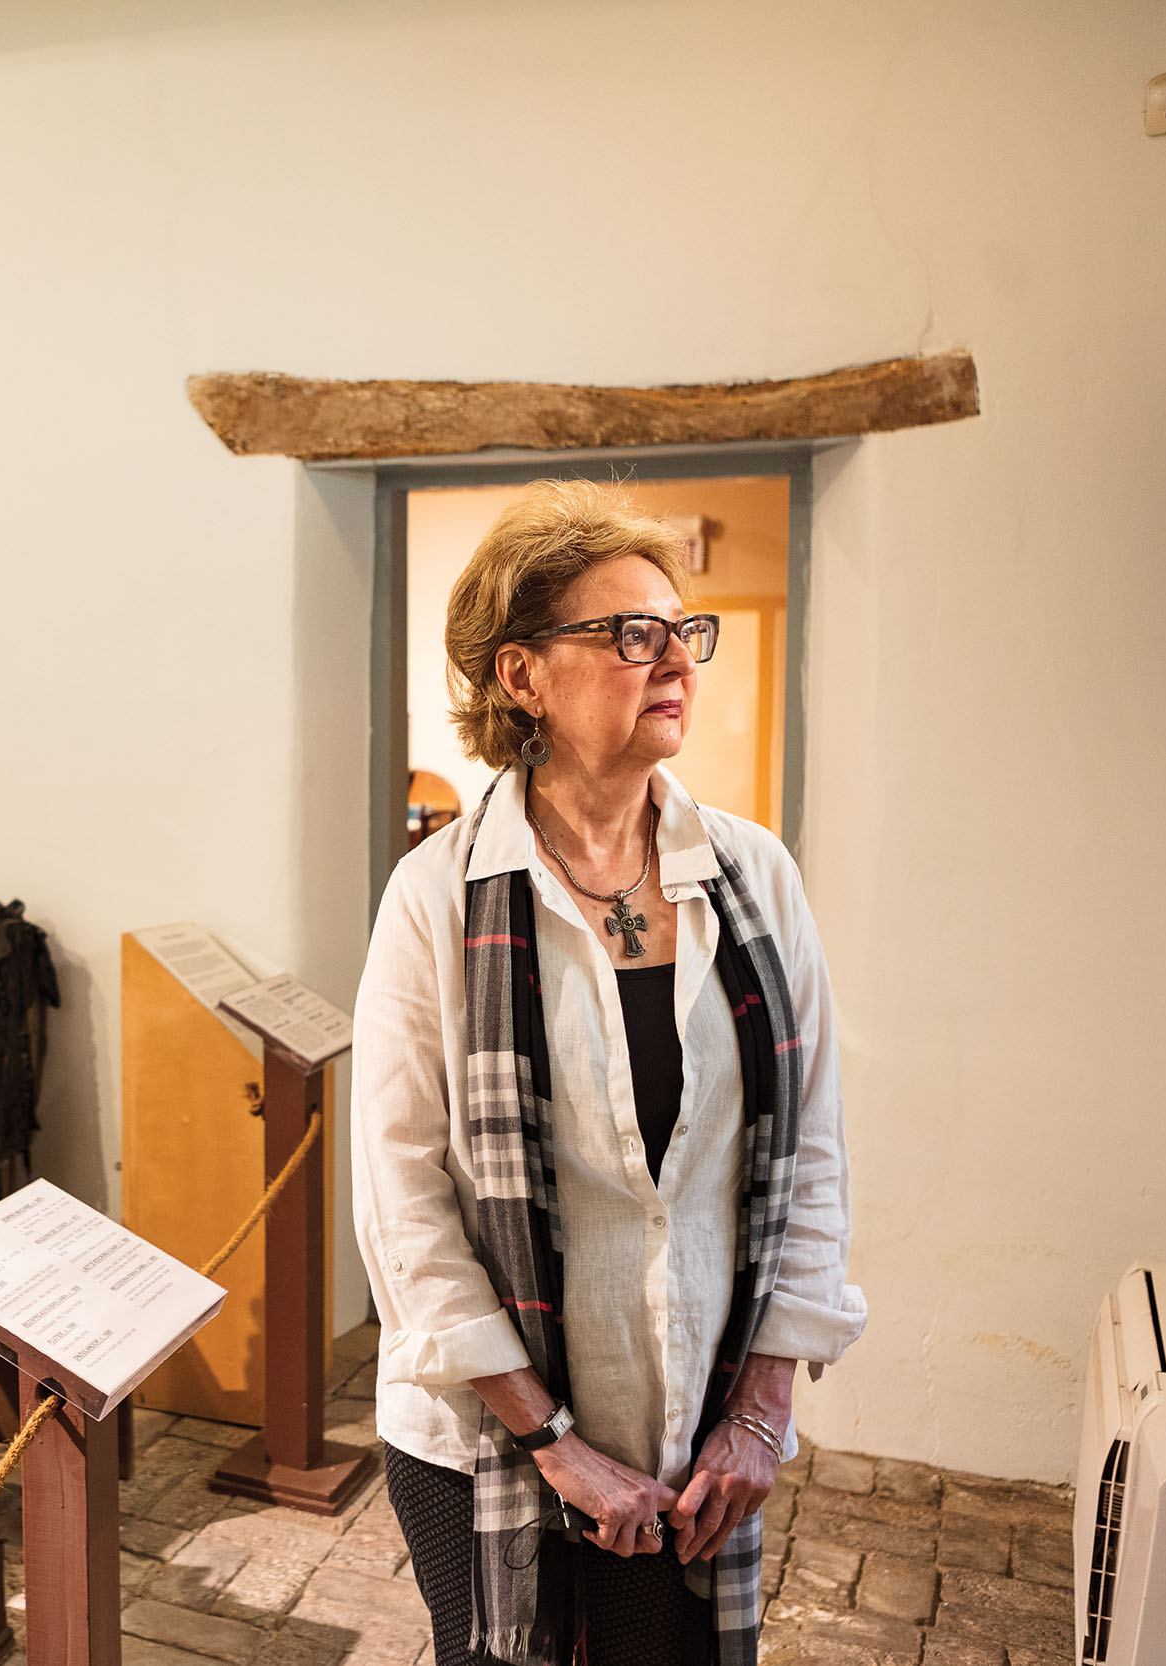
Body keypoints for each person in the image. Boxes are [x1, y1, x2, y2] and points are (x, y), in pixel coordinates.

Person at [351, 482, 865, 1666]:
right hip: (484, 1433)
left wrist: (761, 1411)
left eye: (683, 630)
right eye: (630, 634)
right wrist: (553, 1444)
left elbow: (814, 1151)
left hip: (695, 1427)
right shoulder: (436, 898)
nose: (673, 657)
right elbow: (404, 1201)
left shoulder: (754, 875)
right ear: (522, 675)